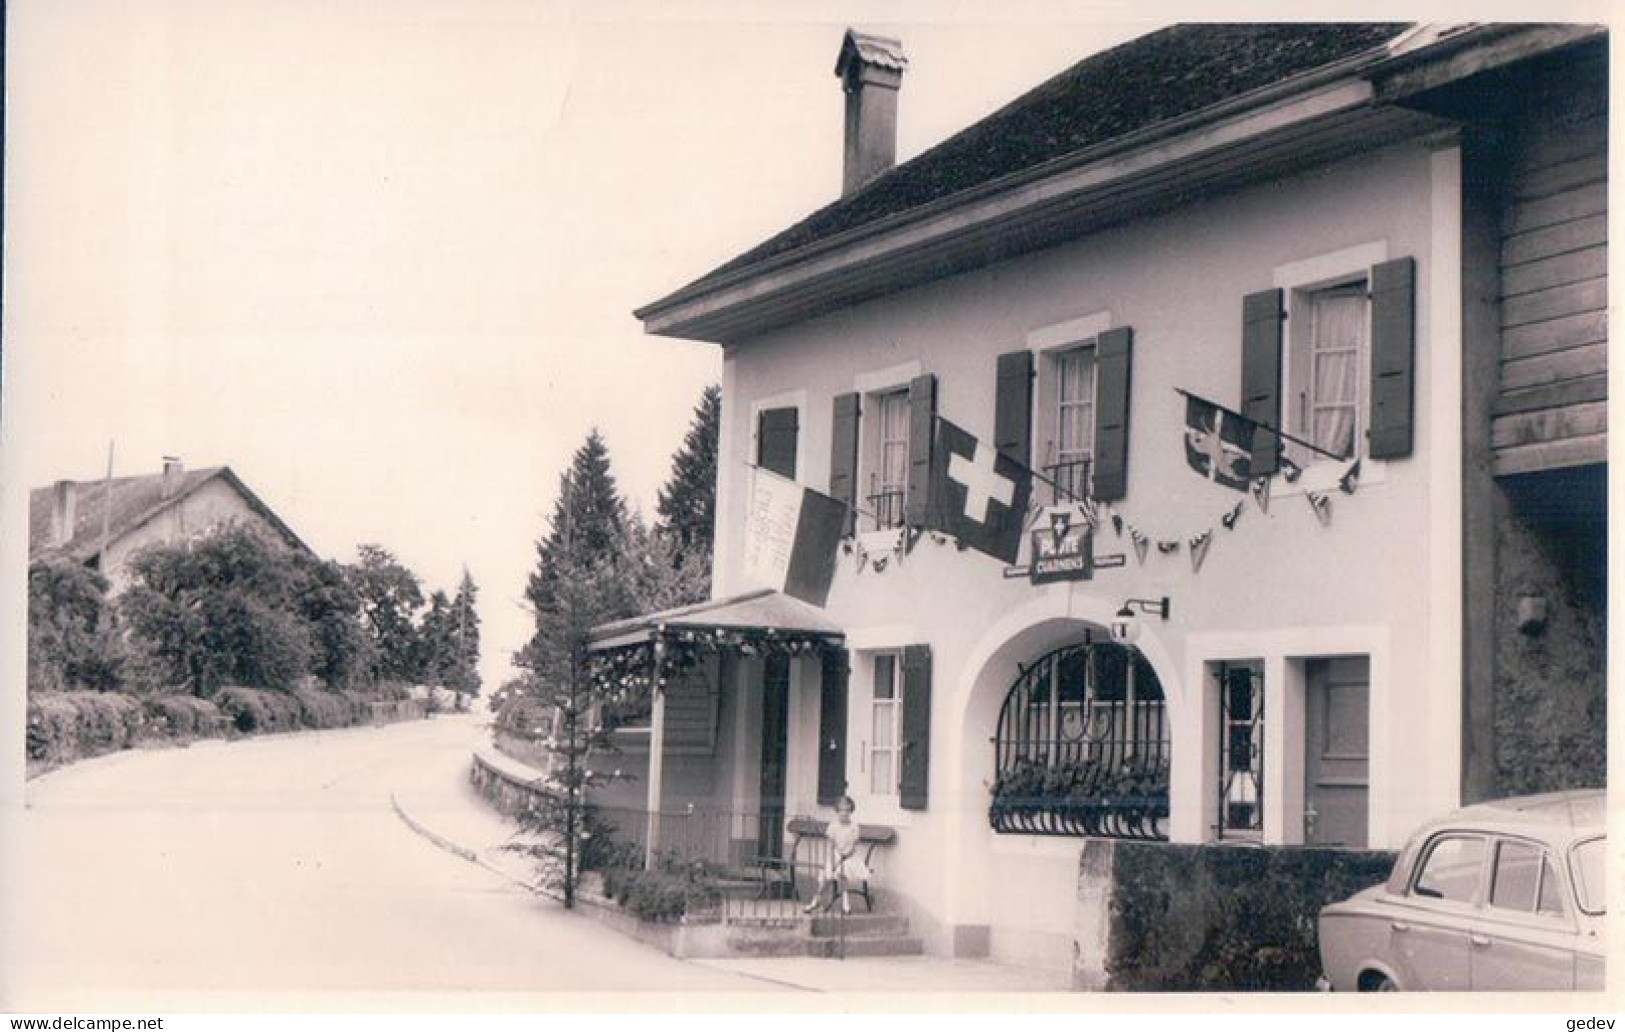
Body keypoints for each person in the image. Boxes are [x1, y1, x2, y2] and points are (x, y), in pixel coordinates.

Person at [804, 796, 871, 915]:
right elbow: (830, 846)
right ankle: (816, 900)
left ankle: (846, 904)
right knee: (827, 877)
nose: (844, 814)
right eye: (842, 811)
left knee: (842, 872)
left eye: (847, 811)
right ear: (837, 811)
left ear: (851, 812)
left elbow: (854, 847)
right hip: (835, 855)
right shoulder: (833, 826)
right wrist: (834, 860)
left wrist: (844, 857)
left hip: (850, 857)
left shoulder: (854, 827)